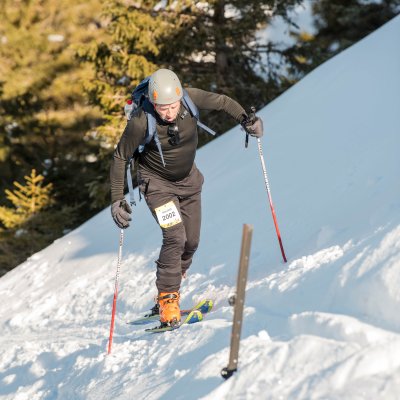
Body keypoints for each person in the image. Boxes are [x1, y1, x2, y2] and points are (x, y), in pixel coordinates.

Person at [110, 69, 263, 327]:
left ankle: (171, 287)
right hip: (157, 186)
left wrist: (247, 120)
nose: (169, 113)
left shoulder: (190, 98)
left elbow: (223, 102)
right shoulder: (140, 121)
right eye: (162, 108)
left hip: (189, 181)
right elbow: (120, 156)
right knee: (175, 236)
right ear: (153, 104)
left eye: (172, 106)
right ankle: (167, 298)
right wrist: (117, 199)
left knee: (191, 242)